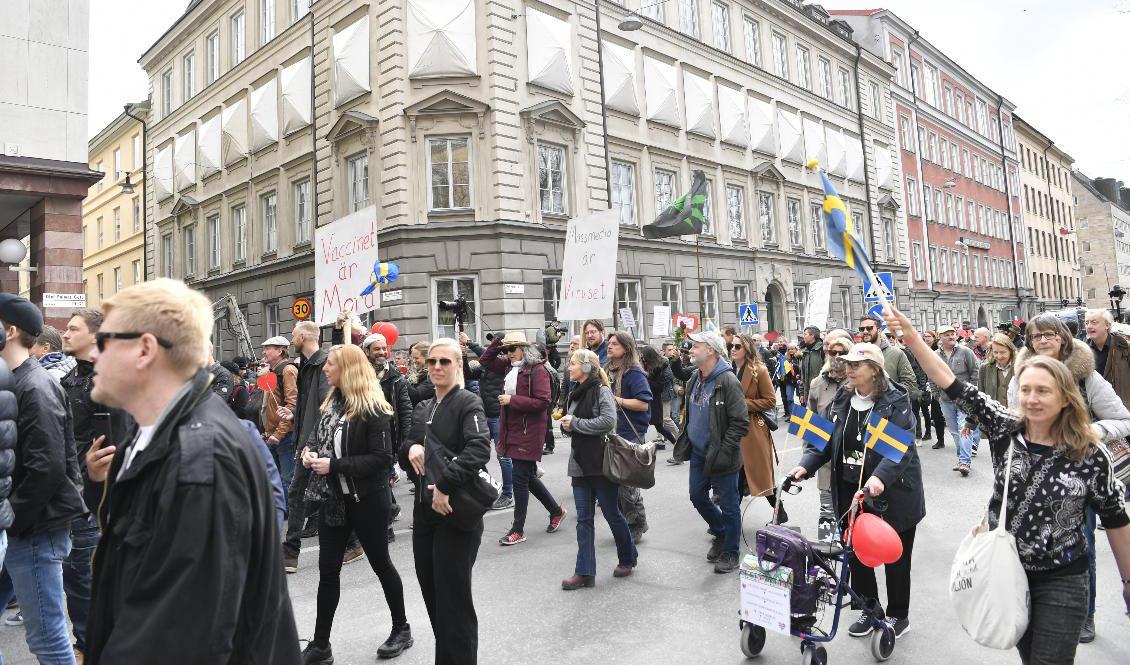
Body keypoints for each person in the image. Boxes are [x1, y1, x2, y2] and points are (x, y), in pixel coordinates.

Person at [884, 304, 1130, 663]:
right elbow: (946, 379)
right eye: (1026, 389)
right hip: (1009, 572)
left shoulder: (1089, 453)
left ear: (1065, 397)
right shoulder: (1005, 427)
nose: (1031, 398)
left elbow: (1116, 519)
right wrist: (910, 334)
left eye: (1043, 391)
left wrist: (1127, 581)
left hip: (1064, 577)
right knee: (1030, 656)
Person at [80, 279, 299, 664]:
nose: (93, 356)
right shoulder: (149, 436)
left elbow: (183, 637)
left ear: (145, 349)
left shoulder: (200, 460)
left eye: (104, 342)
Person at [1006, 313, 1130, 643]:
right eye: (1036, 337)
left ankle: (1084, 614)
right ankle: (1035, 608)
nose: (1043, 341)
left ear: (1063, 338)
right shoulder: (1020, 376)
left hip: (1078, 476)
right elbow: (1012, 422)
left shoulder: (1085, 375)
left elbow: (1123, 419)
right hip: (1031, 477)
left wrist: (1090, 431)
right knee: (1026, 547)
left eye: (1049, 335)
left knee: (1080, 547)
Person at [788, 342, 924, 640]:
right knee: (858, 554)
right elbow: (822, 437)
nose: (847, 367)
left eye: (855, 364)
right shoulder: (843, 398)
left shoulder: (895, 400)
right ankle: (869, 608)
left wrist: (879, 479)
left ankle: (899, 615)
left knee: (895, 558)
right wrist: (805, 465)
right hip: (851, 490)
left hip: (893, 493)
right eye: (846, 363)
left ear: (875, 370)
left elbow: (899, 449)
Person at [297, 345, 411, 664]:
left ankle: (402, 628)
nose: (325, 369)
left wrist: (333, 465)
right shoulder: (332, 402)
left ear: (346, 368)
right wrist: (309, 453)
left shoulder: (375, 408)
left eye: (330, 364)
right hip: (334, 500)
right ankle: (321, 645)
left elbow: (382, 460)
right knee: (327, 571)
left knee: (380, 564)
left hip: (368, 501)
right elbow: (319, 442)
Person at [0, 294, 87, 664]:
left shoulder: (35, 386)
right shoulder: (19, 380)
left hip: (34, 528)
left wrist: (11, 518)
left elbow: (47, 468)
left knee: (48, 638)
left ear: (11, 330)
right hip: (22, 526)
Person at [400, 338, 491, 665]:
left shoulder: (468, 402)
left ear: (457, 366)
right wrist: (410, 449)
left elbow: (479, 449)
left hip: (457, 513)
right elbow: (405, 448)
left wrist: (444, 484)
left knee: (454, 603)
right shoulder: (424, 406)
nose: (437, 367)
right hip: (425, 515)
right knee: (434, 599)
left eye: (445, 362)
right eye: (432, 362)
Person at [59, 308, 133, 661]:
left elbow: (119, 441)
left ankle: (92, 644)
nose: (65, 333)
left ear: (95, 335)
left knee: (87, 575)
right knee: (78, 576)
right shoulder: (71, 378)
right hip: (77, 491)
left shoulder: (110, 379)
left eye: (73, 328)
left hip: (100, 496)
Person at [559, 348, 637, 589]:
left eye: (572, 363)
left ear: (585, 367)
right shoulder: (575, 392)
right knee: (584, 520)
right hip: (580, 464)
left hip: (601, 463)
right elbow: (572, 424)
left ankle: (627, 557)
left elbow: (608, 422)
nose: (568, 367)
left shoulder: (602, 391)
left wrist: (576, 423)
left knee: (612, 514)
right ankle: (585, 572)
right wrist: (566, 426)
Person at [478, 332, 566, 546]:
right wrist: (499, 342)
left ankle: (518, 529)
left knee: (520, 479)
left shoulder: (537, 370)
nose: (507, 354)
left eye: (511, 349)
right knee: (527, 478)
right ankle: (556, 511)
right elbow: (485, 361)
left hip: (530, 432)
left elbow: (543, 402)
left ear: (523, 349)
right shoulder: (510, 368)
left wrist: (512, 400)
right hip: (512, 430)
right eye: (506, 350)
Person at [672, 331, 748, 573]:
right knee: (697, 496)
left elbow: (740, 422)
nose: (690, 350)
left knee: (729, 505)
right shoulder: (696, 377)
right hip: (698, 452)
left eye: (696, 346)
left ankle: (731, 552)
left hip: (722, 455)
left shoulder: (727, 381)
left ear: (711, 351)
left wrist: (724, 452)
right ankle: (721, 532)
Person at [361, 332, 413, 541]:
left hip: (388, 437)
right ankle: (388, 513)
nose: (382, 352)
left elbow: (405, 408)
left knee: (382, 481)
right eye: (377, 349)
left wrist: (406, 441)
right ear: (366, 352)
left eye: (384, 348)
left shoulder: (395, 376)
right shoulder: (359, 374)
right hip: (364, 436)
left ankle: (387, 526)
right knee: (378, 481)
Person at [604, 331, 652, 543]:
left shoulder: (634, 373)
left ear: (626, 348)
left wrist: (617, 400)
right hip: (609, 432)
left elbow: (643, 404)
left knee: (627, 483)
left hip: (629, 433)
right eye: (609, 343)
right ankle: (626, 521)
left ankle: (636, 524)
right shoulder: (606, 370)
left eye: (615, 343)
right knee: (614, 482)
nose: (610, 346)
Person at [730, 334, 785, 520]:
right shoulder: (728, 370)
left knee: (762, 477)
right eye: (731, 345)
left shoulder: (759, 370)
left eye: (737, 346)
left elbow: (770, 400)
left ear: (746, 349)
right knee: (735, 475)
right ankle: (731, 519)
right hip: (731, 429)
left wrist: (743, 404)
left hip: (753, 429)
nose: (733, 349)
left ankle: (779, 511)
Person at [807, 335, 855, 539]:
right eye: (832, 352)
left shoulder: (858, 381)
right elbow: (812, 425)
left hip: (852, 462)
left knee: (852, 517)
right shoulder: (817, 383)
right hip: (826, 462)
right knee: (827, 512)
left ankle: (852, 559)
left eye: (842, 353)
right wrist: (807, 461)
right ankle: (828, 559)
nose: (836, 357)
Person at [460, 332, 511, 510]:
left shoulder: (505, 362)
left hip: (498, 415)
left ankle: (508, 494)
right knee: (477, 453)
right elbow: (468, 375)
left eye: (494, 344)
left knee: (503, 456)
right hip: (485, 414)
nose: (490, 347)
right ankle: (487, 488)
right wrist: (464, 355)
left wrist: (470, 342)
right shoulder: (485, 364)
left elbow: (485, 355)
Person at [934, 325, 981, 474]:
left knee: (964, 429)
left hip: (964, 399)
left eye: (952, 334)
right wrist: (936, 395)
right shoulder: (935, 355)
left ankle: (965, 462)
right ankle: (961, 458)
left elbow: (975, 371)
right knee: (954, 431)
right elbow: (931, 375)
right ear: (940, 338)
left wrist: (971, 392)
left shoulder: (966, 352)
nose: (951, 337)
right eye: (946, 335)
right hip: (945, 399)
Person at [259, 335, 299, 495]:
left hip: (283, 435)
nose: (264, 352)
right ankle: (283, 512)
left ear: (280, 350)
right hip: (274, 433)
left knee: (286, 477)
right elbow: (266, 404)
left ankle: (289, 514)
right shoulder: (274, 371)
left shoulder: (287, 370)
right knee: (276, 477)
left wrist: (279, 433)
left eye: (268, 348)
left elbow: (292, 404)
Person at [858, 315, 920, 405]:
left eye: (869, 328)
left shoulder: (896, 353)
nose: (865, 331)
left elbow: (910, 385)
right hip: (864, 410)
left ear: (879, 330)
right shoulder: (856, 355)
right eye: (862, 329)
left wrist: (886, 390)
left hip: (890, 410)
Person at [1085, 308, 1130, 405]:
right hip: (1096, 408)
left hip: (1123, 407)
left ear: (1107, 325)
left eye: (1094, 322)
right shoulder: (1083, 352)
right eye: (1086, 322)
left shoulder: (1124, 348)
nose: (1089, 326)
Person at [640, 345, 678, 450]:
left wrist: (646, 378)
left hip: (655, 401)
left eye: (643, 356)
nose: (641, 358)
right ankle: (641, 447)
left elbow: (659, 387)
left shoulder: (659, 367)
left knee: (660, 425)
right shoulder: (648, 365)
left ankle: (677, 442)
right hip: (648, 399)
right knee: (643, 425)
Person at [917, 331, 946, 447]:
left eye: (929, 337)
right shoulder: (921, 349)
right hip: (928, 383)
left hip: (941, 383)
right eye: (925, 337)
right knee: (934, 412)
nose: (926, 339)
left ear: (934, 338)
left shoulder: (938, 351)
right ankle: (939, 439)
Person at [977, 333, 1016, 410]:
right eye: (996, 352)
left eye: (1003, 352)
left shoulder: (1020, 367)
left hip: (1015, 416)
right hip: (993, 417)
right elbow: (980, 395)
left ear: (1010, 351)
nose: (999, 356)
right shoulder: (985, 368)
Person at [797, 326, 824, 407]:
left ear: (812, 336)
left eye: (805, 334)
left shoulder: (823, 350)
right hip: (808, 394)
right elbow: (803, 375)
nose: (803, 336)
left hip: (821, 393)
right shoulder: (805, 352)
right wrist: (801, 392)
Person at [407, 341, 436, 406]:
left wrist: (401, 380)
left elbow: (417, 396)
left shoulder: (433, 375)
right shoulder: (417, 374)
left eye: (416, 358)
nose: (413, 361)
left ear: (427, 357)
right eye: (413, 357)